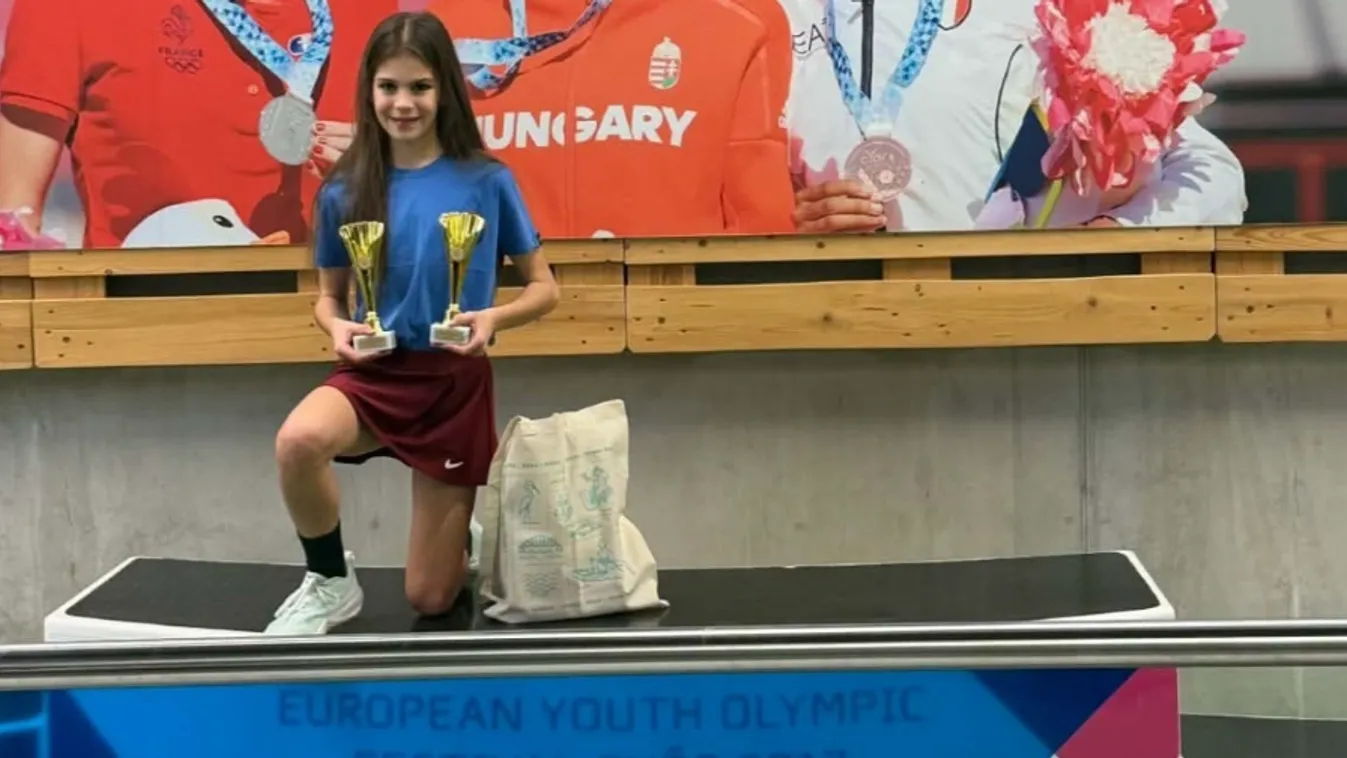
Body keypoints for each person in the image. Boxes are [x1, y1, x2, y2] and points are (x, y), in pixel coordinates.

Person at [266, 10, 560, 636]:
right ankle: (330, 581)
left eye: (419, 87)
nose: (403, 103)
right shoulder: (342, 190)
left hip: (452, 387)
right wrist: (336, 329)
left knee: (429, 598)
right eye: (389, 87)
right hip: (374, 378)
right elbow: (328, 298)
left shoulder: (487, 180)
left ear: (445, 89)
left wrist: (492, 317)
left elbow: (545, 289)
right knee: (298, 442)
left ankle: (459, 542)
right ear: (369, 91)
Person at [782, 0, 1247, 234]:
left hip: (1019, 333)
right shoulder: (780, 13)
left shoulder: (1048, 14)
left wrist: (1115, 236)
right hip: (837, 327)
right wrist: (782, 223)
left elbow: (1212, 175)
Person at [0, 0, 395, 248]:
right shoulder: (65, 6)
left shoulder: (376, 11)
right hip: (147, 332)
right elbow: (12, 228)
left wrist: (398, 169)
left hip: (336, 327)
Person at [424, 0, 799, 239]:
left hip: (673, 332)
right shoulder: (442, 25)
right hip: (484, 333)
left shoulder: (740, 18)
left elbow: (760, 233)